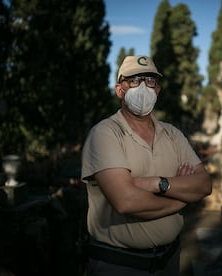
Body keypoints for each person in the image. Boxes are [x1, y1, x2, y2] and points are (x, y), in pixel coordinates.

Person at [81, 55, 212, 276]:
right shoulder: (105, 133)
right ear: (119, 89)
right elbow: (126, 202)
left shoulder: (172, 134)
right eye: (134, 80)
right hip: (120, 265)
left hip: (169, 260)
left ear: (157, 90)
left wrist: (156, 184)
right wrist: (182, 199)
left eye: (150, 80)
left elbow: (204, 184)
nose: (143, 86)